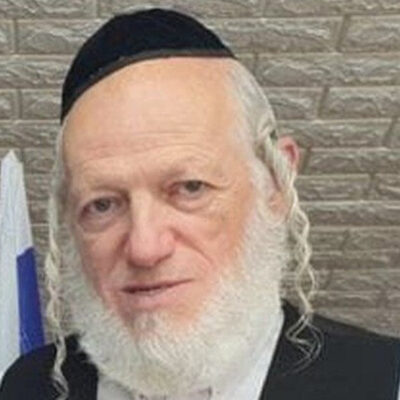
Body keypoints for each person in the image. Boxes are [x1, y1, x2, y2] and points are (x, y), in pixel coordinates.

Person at [1, 8, 399, 400]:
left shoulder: (385, 382)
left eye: (190, 188)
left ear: (275, 182)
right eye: (103, 205)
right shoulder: (27, 386)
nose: (145, 248)